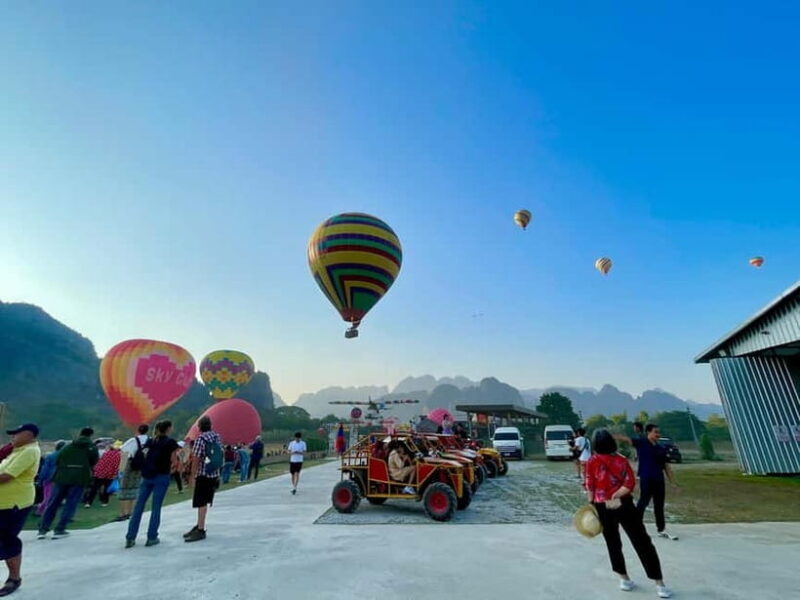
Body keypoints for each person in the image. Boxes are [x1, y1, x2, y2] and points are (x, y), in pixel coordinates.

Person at [585, 429, 673, 598]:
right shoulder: (621, 460)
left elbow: (590, 484)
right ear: (611, 443)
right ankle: (659, 584)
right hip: (623, 504)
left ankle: (624, 579)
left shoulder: (592, 461)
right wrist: (617, 494)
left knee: (612, 542)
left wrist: (592, 504)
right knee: (642, 542)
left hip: (601, 505)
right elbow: (630, 483)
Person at [617, 423, 680, 541]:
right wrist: (610, 436)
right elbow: (626, 439)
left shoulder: (661, 448)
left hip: (659, 479)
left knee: (659, 505)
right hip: (646, 478)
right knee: (643, 502)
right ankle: (635, 526)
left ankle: (661, 529)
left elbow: (666, 467)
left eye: (658, 432)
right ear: (648, 432)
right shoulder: (642, 443)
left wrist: (673, 483)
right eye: (655, 432)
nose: (658, 434)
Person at [0, 424, 41, 597]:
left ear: (29, 435)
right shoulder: (16, 451)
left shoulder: (29, 451)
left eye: (16, 434)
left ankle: (14, 578)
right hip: (4, 503)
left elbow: (6, 476)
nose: (13, 437)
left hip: (13, 504)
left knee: (8, 540)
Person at [125, 421, 180, 548]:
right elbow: (174, 459)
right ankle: (152, 537)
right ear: (168, 429)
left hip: (147, 476)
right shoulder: (170, 442)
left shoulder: (150, 441)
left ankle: (130, 537)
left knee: (139, 506)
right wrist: (174, 467)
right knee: (156, 507)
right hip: (161, 476)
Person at [38, 427, 99, 539]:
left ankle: (43, 529)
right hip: (79, 478)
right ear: (91, 435)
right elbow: (94, 461)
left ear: (80, 434)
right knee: (71, 503)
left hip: (62, 477)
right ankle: (60, 529)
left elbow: (58, 459)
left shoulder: (68, 446)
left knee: (53, 502)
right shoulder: (91, 447)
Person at [184, 416, 221, 543]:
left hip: (203, 474)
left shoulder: (200, 439)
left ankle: (200, 529)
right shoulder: (216, 437)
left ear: (199, 427)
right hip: (213, 473)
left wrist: (192, 475)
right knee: (204, 501)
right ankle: (199, 524)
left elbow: (196, 458)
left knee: (201, 502)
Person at [115, 424, 149, 522]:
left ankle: (123, 513)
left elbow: (124, 452)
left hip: (131, 465)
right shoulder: (149, 440)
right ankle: (132, 511)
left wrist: (120, 469)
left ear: (138, 430)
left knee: (124, 489)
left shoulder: (133, 440)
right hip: (142, 466)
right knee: (136, 488)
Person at [84, 440, 122, 508]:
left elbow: (100, 462)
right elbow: (116, 466)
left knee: (94, 488)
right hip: (109, 473)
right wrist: (115, 474)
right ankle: (104, 502)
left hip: (99, 472)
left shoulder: (106, 453)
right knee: (106, 488)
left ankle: (88, 502)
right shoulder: (118, 455)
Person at [34, 441, 65, 517]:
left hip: (48, 478)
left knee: (47, 495)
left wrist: (40, 479)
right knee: (50, 496)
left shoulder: (50, 456)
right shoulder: (64, 457)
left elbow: (45, 469)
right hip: (58, 478)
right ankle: (43, 511)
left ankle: (41, 510)